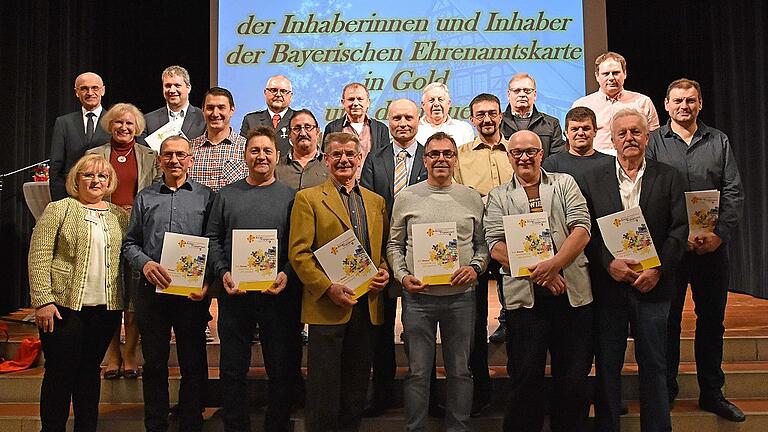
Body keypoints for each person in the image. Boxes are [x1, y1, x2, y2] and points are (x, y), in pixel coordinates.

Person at [578, 109, 687, 432]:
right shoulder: (592, 178)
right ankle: (608, 426)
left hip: (653, 286)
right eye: (622, 133)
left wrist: (658, 270)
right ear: (611, 140)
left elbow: (679, 230)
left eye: (636, 132)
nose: (629, 138)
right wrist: (607, 263)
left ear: (647, 137)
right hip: (609, 287)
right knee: (608, 364)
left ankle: (657, 427)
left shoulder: (668, 176)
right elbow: (586, 232)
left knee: (654, 363)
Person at [647, 78, 745, 422]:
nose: (684, 106)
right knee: (667, 321)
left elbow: (733, 191)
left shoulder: (718, 140)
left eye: (690, 100)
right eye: (677, 101)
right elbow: (648, 194)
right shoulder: (653, 142)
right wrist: (677, 236)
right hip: (671, 250)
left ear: (700, 103)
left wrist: (719, 235)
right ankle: (667, 390)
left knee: (711, 323)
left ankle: (712, 392)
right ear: (666, 104)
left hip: (712, 250)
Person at [484, 130, 593, 432]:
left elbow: (582, 229)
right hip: (525, 300)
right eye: (517, 152)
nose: (524, 157)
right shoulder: (498, 196)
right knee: (525, 376)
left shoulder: (564, 183)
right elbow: (494, 245)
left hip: (571, 292)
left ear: (541, 154)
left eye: (530, 151)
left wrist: (555, 266)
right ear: (509, 157)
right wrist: (542, 275)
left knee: (572, 378)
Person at [288, 132, 390, 431]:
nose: (344, 160)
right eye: (336, 155)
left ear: (360, 159)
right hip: (328, 305)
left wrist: (382, 269)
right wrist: (327, 288)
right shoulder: (308, 198)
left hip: (366, 303)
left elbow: (379, 250)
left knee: (356, 386)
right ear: (325, 160)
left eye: (350, 154)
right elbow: (299, 254)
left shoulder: (376, 201)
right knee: (323, 388)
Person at [388, 131, 489, 432]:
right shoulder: (406, 197)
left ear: (456, 159)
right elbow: (394, 245)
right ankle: (415, 428)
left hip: (461, 298)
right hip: (418, 300)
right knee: (418, 372)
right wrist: (403, 276)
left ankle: (458, 427)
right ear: (425, 159)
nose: (441, 159)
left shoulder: (471, 197)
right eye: (434, 154)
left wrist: (475, 267)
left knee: (460, 371)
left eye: (447, 153)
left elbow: (483, 244)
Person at [206, 126, 301, 432]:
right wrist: (224, 273)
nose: (261, 156)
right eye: (255, 150)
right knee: (233, 369)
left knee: (280, 367)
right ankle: (235, 425)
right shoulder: (227, 195)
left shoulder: (292, 197)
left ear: (277, 157)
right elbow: (213, 239)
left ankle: (277, 424)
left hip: (278, 295)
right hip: (235, 294)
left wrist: (286, 272)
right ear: (245, 155)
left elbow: (298, 244)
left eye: (267, 151)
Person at [28, 154, 129, 432]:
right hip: (62, 308)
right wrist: (42, 301)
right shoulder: (59, 209)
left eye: (102, 176)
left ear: (109, 182)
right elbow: (38, 256)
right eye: (88, 175)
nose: (96, 181)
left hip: (104, 310)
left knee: (89, 375)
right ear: (76, 179)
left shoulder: (119, 216)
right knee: (60, 375)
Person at [122, 136, 214, 432]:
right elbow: (130, 244)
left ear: (191, 159)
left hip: (191, 295)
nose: (174, 160)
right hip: (153, 294)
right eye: (168, 155)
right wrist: (145, 263)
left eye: (180, 155)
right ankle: (156, 424)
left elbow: (215, 244)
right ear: (159, 160)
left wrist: (208, 283)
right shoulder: (145, 197)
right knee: (155, 365)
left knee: (193, 363)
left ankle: (191, 422)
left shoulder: (207, 197)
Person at [360, 99, 428, 417]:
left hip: (424, 254)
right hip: (384, 256)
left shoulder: (431, 154)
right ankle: (383, 392)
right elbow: (372, 208)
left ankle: (426, 395)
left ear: (419, 119)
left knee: (421, 330)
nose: (402, 122)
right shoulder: (375, 160)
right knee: (382, 330)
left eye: (408, 117)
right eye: (396, 117)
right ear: (387, 121)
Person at [87, 102, 160, 381]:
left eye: (129, 123)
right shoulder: (94, 155)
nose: (124, 128)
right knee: (108, 294)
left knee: (133, 294)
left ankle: (130, 353)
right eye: (118, 123)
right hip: (103, 228)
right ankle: (112, 355)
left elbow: (154, 192)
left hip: (137, 231)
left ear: (137, 127)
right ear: (110, 125)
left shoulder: (149, 155)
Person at [453, 93, 510, 409]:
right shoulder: (460, 156)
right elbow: (461, 199)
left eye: (492, 113)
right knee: (473, 323)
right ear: (471, 119)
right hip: (474, 244)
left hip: (512, 246)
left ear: (501, 115)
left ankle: (519, 388)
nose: (486, 119)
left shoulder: (515, 149)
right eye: (480, 115)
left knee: (516, 314)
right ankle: (480, 391)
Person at [571, 52, 660, 154]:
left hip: (633, 161)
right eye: (605, 74)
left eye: (615, 73)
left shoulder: (643, 102)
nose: (611, 78)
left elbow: (654, 139)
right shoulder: (582, 105)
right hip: (594, 163)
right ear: (597, 76)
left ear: (625, 74)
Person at [49, 72, 111, 200]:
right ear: (77, 92)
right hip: (72, 196)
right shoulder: (63, 123)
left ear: (103, 90)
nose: (90, 93)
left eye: (95, 88)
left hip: (106, 197)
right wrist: (60, 201)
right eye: (84, 88)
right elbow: (56, 166)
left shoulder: (114, 122)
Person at [189, 87, 249, 193]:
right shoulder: (189, 149)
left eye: (221, 107)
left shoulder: (246, 147)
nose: (215, 113)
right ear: (203, 110)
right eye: (210, 108)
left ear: (231, 110)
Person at [323, 82, 389, 178]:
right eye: (351, 99)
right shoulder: (332, 128)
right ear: (343, 102)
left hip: (372, 187)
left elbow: (385, 163)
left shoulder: (381, 129)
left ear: (368, 102)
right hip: (340, 184)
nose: (355, 103)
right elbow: (326, 161)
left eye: (360, 99)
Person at [500, 73, 565, 157]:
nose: (522, 95)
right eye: (516, 91)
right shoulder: (497, 123)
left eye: (527, 91)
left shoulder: (552, 124)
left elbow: (557, 159)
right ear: (508, 95)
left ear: (534, 95)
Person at [542, 106, 611, 179]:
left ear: (595, 132)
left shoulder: (611, 163)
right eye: (574, 129)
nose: (580, 133)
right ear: (566, 134)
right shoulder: (552, 164)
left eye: (586, 128)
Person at [143, 65, 206, 139]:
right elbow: (142, 150)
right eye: (168, 86)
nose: (172, 90)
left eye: (177, 85)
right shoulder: (148, 120)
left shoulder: (203, 117)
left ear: (188, 88)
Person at [239, 75, 295, 156]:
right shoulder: (251, 120)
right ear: (265, 93)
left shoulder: (299, 119)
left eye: (283, 91)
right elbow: (243, 152)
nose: (278, 94)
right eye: (274, 90)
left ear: (290, 95)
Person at [275, 109, 328, 189]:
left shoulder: (331, 165)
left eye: (308, 127)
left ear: (317, 132)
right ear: (289, 134)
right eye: (297, 128)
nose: (303, 133)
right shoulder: (276, 167)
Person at [414, 83, 474, 147]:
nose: (436, 104)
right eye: (431, 100)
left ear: (449, 104)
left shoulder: (464, 129)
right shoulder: (414, 128)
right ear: (423, 105)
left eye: (440, 100)